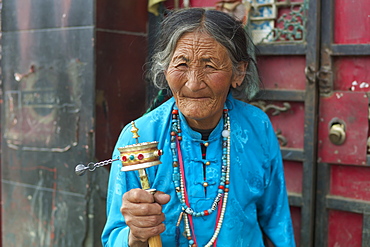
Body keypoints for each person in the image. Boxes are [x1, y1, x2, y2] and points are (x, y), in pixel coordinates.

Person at [102, 8, 295, 247]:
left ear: (239, 72)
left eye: (210, 66)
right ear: (165, 70)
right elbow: (114, 238)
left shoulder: (257, 128)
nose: (193, 84)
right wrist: (136, 235)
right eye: (181, 64)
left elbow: (277, 222)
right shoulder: (139, 138)